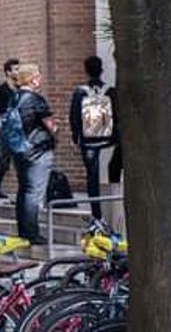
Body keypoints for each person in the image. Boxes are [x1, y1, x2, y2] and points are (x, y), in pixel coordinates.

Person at [11, 64, 58, 244]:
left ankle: (23, 230)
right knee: (33, 192)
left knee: (24, 190)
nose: (40, 79)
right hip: (37, 151)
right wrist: (56, 132)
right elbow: (51, 125)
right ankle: (32, 233)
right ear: (31, 78)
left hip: (19, 150)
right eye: (38, 75)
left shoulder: (13, 98)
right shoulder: (35, 99)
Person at [70, 56, 118, 219]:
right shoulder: (110, 91)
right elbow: (117, 115)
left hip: (88, 141)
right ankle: (115, 208)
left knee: (92, 177)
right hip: (109, 139)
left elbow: (74, 117)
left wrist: (76, 136)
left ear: (86, 70)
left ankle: (96, 214)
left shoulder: (80, 92)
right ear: (102, 69)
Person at [0, 59, 22, 199]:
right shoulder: (1, 90)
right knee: (4, 160)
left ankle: (23, 188)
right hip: (6, 129)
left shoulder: (20, 89)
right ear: (8, 72)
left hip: (18, 130)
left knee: (21, 159)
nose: (18, 72)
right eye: (15, 69)